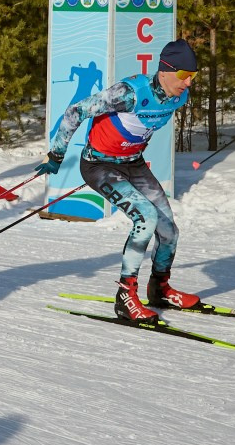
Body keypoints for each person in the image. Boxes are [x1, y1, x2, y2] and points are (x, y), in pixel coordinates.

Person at [46, 39, 200, 321]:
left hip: (133, 164)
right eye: (183, 75)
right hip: (99, 164)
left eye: (193, 76)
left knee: (169, 232)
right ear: (164, 70)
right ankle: (125, 297)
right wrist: (56, 155)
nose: (188, 82)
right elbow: (75, 112)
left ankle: (160, 289)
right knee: (146, 217)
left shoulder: (179, 97)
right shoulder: (128, 93)